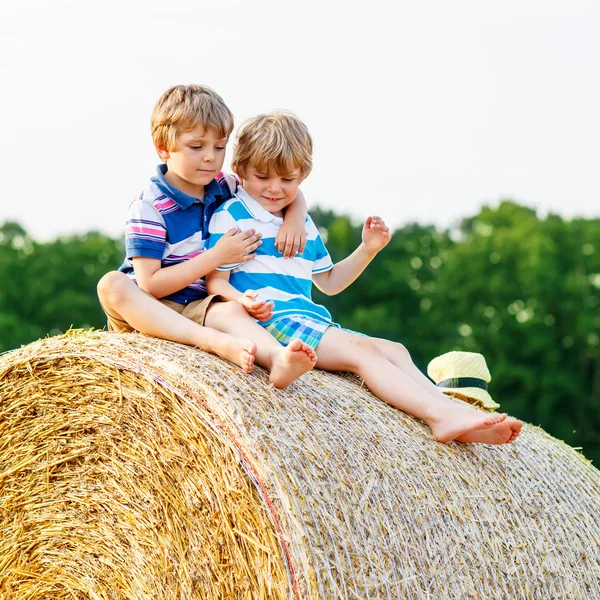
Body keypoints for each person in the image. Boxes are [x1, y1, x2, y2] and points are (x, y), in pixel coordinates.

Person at [206, 111, 522, 444]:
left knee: (396, 350)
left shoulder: (304, 225)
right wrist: (243, 301)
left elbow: (328, 282)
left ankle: (457, 415)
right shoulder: (231, 216)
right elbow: (215, 282)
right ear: (240, 170)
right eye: (262, 177)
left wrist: (367, 250)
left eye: (287, 180)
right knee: (362, 352)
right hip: (275, 322)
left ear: (302, 177)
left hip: (310, 320)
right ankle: (438, 416)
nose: (274, 188)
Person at [97, 84, 318, 388]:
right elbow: (151, 285)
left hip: (198, 304)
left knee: (232, 309)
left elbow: (280, 189)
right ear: (163, 146)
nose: (210, 158)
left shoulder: (224, 185)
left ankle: (277, 358)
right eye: (197, 147)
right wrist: (216, 257)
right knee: (111, 284)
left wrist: (294, 219)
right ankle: (212, 342)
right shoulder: (149, 206)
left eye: (219, 147)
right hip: (148, 309)